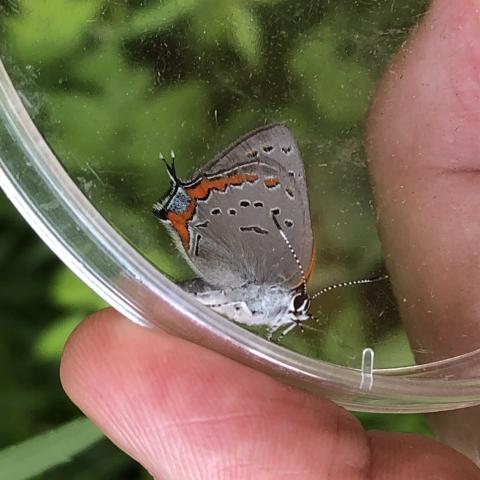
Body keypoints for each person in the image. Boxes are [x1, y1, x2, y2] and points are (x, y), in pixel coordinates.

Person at [60, 0, 480, 477]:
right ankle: (191, 206)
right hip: (220, 252)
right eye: (299, 308)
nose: (304, 309)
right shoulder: (291, 273)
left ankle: (193, 207)